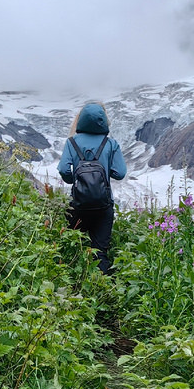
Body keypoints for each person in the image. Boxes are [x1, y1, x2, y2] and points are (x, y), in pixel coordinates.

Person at [57, 103, 127, 274]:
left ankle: (70, 288)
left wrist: (74, 180)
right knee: (100, 252)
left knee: (72, 247)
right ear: (103, 121)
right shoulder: (110, 144)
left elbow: (63, 169)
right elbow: (120, 173)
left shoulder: (71, 142)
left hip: (78, 206)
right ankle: (102, 290)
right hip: (103, 206)